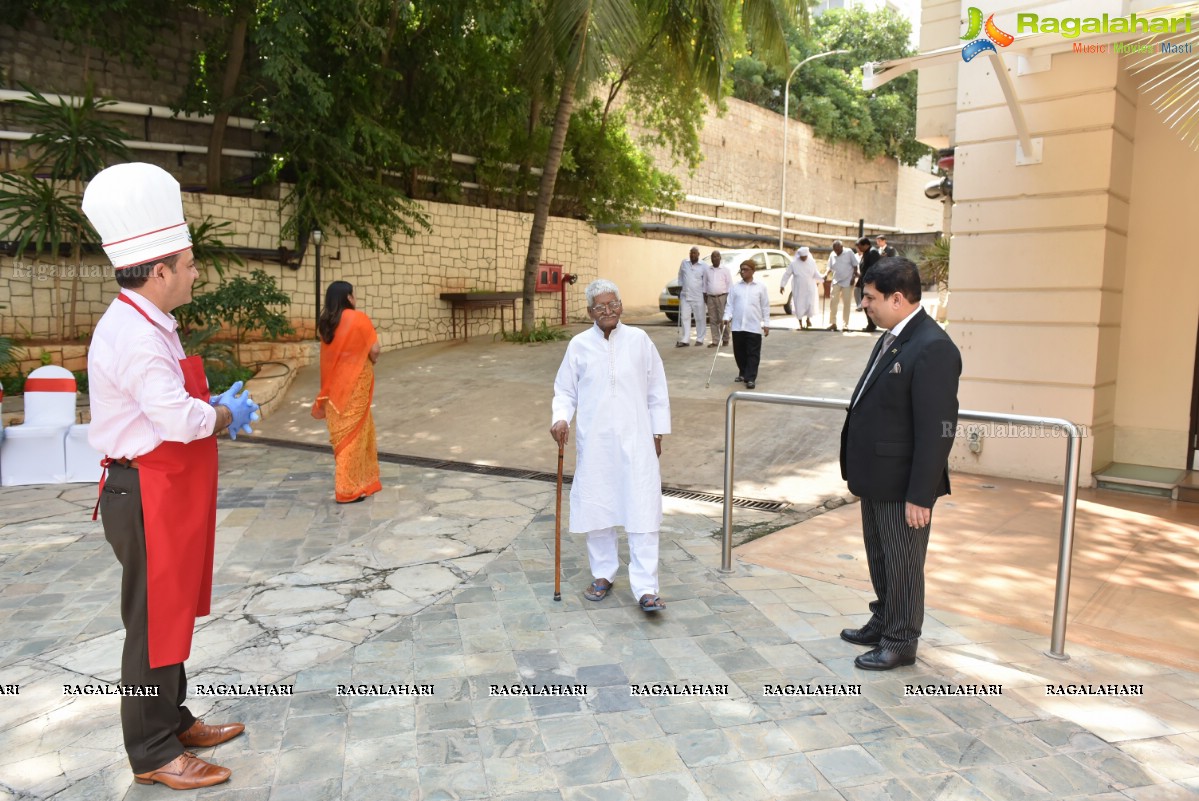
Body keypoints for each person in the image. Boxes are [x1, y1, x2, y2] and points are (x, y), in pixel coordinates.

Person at [83, 163, 258, 790]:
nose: (193, 271)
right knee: (151, 620)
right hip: (144, 492)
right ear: (159, 270)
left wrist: (217, 411)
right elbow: (174, 416)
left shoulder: (149, 321)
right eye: (186, 263)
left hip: (161, 489)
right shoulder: (133, 334)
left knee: (170, 610)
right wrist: (221, 413)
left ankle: (172, 717)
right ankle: (152, 748)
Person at [839, 257, 961, 671]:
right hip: (877, 477)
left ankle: (902, 640)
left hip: (904, 483)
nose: (864, 305)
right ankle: (884, 617)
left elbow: (938, 428)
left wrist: (920, 495)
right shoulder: (893, 335)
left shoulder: (934, 346)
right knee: (881, 557)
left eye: (870, 298)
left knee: (904, 563)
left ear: (897, 298)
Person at [550, 279, 671, 612]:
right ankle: (603, 574)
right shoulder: (578, 345)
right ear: (590, 312)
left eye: (613, 304)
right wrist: (561, 418)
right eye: (601, 307)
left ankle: (646, 588)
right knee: (598, 507)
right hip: (597, 442)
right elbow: (565, 391)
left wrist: (657, 432)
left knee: (642, 510)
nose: (609, 311)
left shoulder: (639, 340)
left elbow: (656, 388)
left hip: (637, 440)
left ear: (621, 305)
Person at [311, 281, 383, 504]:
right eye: (354, 295)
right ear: (349, 298)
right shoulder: (359, 318)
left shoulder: (325, 325)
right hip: (355, 386)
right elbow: (375, 350)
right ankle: (347, 489)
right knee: (355, 436)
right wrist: (371, 359)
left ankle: (361, 482)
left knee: (347, 435)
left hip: (333, 391)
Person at [723, 259, 770, 389]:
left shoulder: (761, 287)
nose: (743, 272)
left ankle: (751, 378)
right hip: (738, 326)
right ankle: (743, 372)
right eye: (741, 270)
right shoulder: (735, 288)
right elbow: (730, 305)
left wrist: (766, 323)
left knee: (753, 354)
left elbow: (765, 306)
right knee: (739, 353)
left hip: (753, 326)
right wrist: (726, 317)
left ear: (753, 271)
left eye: (745, 269)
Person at [779, 246, 820, 330]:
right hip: (799, 288)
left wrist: (822, 279)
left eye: (805, 257)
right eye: (802, 257)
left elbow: (816, 273)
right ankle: (800, 323)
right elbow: (787, 274)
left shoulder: (812, 262)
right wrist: (782, 285)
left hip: (810, 287)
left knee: (810, 304)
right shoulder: (794, 264)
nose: (804, 258)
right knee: (799, 305)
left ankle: (808, 319)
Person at [676, 246, 706, 347]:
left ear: (698, 254)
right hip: (685, 295)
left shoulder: (703, 265)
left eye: (694, 253)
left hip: (698, 296)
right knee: (684, 317)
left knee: (700, 318)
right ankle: (685, 339)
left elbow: (706, 281)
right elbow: (680, 275)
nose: (692, 255)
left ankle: (700, 339)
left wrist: (705, 294)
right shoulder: (684, 263)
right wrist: (680, 287)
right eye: (691, 253)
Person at [826, 239, 859, 332]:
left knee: (846, 303)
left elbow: (855, 265)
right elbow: (829, 266)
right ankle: (833, 323)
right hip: (836, 281)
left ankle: (845, 324)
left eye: (838, 250)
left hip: (847, 281)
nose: (836, 252)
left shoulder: (849, 252)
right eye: (835, 250)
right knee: (833, 303)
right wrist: (826, 274)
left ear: (841, 247)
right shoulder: (832, 254)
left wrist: (853, 277)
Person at [703, 250, 732, 347]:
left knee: (723, 319)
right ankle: (715, 341)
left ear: (720, 258)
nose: (714, 258)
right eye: (713, 257)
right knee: (712, 320)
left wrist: (728, 299)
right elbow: (705, 284)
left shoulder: (725, 270)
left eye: (716, 256)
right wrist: (705, 297)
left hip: (722, 297)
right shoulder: (707, 270)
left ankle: (725, 339)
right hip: (710, 297)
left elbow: (729, 285)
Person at [855, 237, 880, 332]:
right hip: (864, 282)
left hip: (870, 284)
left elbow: (874, 269)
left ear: (866, 245)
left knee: (868, 304)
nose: (859, 249)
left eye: (860, 246)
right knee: (866, 305)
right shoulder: (866, 252)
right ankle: (871, 324)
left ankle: (872, 325)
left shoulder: (873, 252)